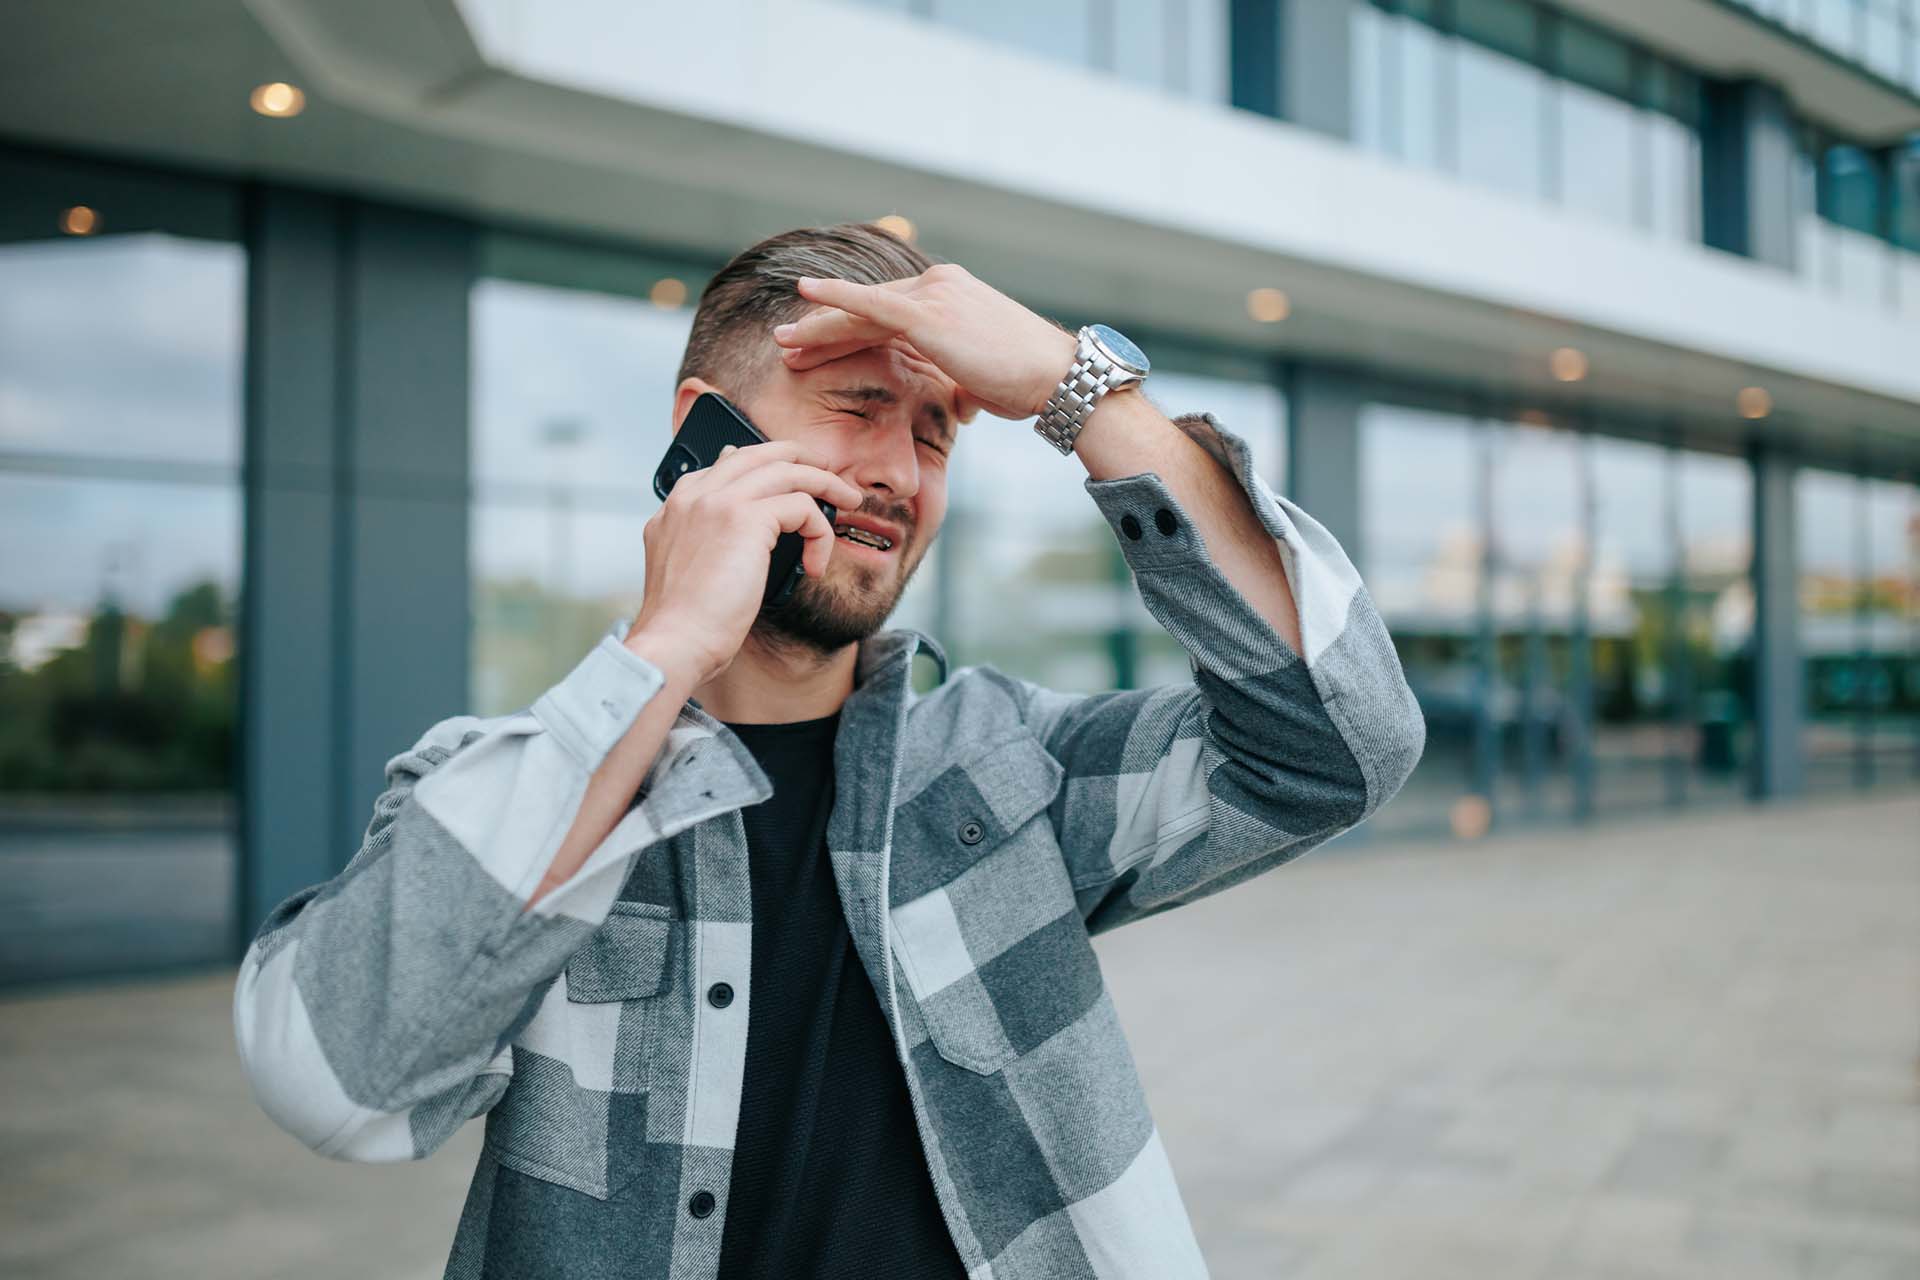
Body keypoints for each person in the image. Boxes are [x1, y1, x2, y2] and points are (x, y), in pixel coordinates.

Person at [233, 222, 1425, 1279]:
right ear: (701, 429)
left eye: (937, 433)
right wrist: (671, 646)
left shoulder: (1010, 764)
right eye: (857, 408)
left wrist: (1080, 389)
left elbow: (1338, 746)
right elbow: (336, 1081)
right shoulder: (524, 790)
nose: (900, 473)